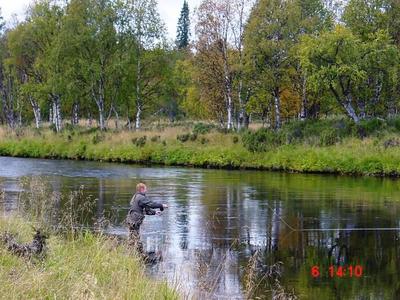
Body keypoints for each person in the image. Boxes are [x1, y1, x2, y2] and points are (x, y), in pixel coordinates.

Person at [126, 182, 168, 254]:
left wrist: (155, 212)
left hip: (130, 219)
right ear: (142, 189)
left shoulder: (136, 196)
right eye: (146, 188)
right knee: (135, 237)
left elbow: (147, 210)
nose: (146, 190)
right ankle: (139, 255)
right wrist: (162, 205)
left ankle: (133, 253)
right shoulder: (141, 197)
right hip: (134, 221)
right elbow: (151, 204)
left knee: (133, 237)